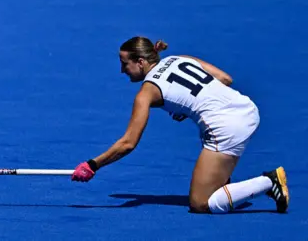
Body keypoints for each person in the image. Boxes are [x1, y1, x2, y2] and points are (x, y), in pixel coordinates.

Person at [71, 37, 289, 214]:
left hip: (226, 128)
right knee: (215, 182)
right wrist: (187, 106)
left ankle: (269, 182)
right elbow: (225, 79)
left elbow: (128, 143)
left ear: (140, 62)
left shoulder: (147, 91)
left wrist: (93, 165)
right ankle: (226, 182)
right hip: (247, 109)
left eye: (124, 63)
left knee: (201, 203)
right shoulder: (178, 58)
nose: (122, 70)